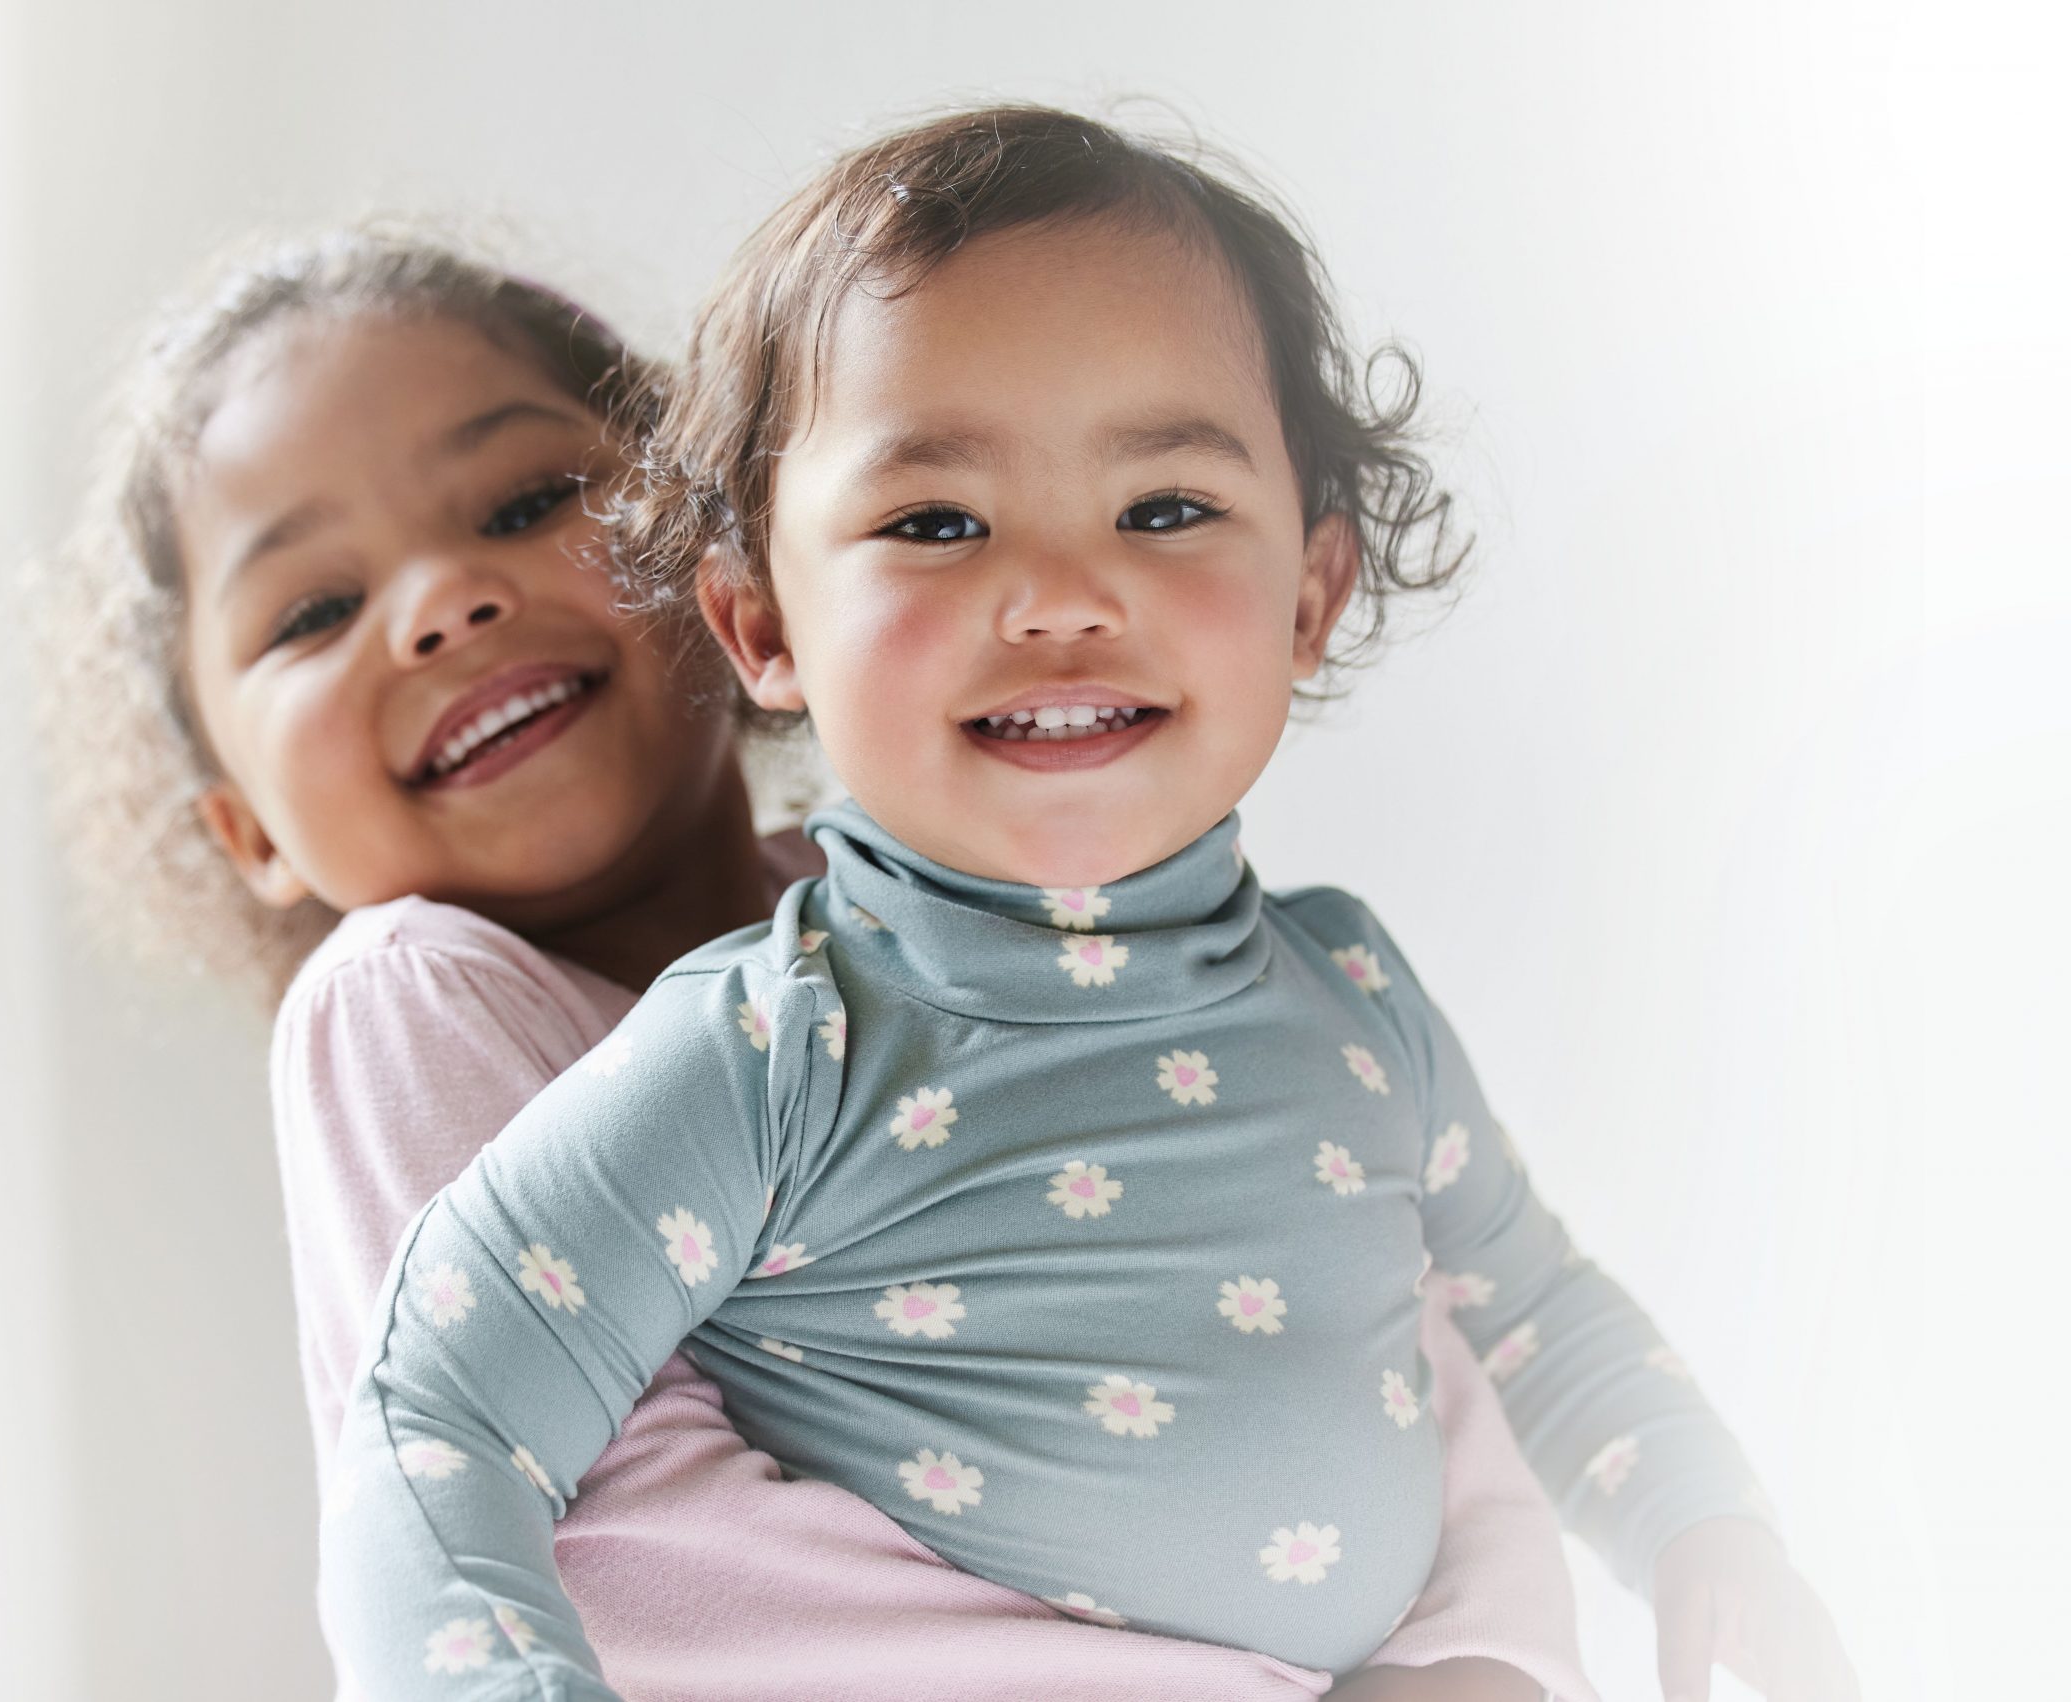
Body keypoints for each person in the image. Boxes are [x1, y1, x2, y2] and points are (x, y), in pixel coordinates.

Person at [318, 109, 1860, 1701]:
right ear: (762, 625)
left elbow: (1538, 1314)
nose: (1058, 591)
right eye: (935, 523)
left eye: (1166, 506)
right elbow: (437, 1419)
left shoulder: (1356, 997)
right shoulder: (774, 1048)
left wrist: (1707, 1527)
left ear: (1312, 593)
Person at [31, 222, 1595, 1700]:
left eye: (524, 501)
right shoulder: (404, 997)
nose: (444, 604)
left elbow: (1352, 1272)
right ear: (245, 831)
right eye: (312, 607)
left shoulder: (957, 919)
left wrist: (1479, 1650)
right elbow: (628, 1556)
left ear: (733, 565)